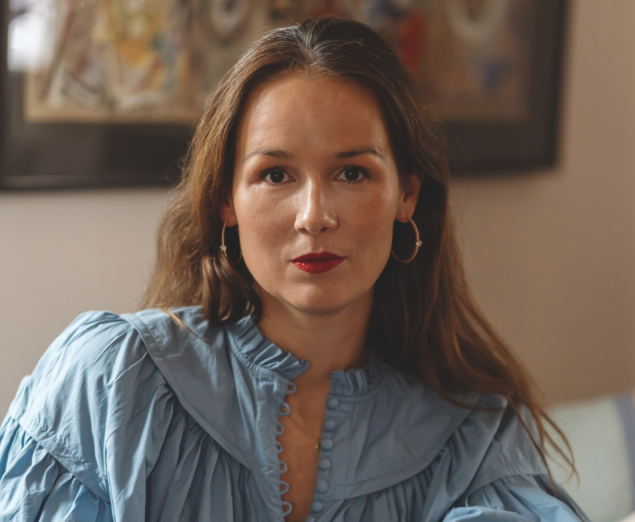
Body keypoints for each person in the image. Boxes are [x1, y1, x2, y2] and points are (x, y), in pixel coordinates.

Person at [0, 16, 588, 522]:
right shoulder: (110, 382)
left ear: (406, 195)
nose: (314, 216)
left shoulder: (475, 439)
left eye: (352, 173)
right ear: (226, 199)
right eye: (275, 175)